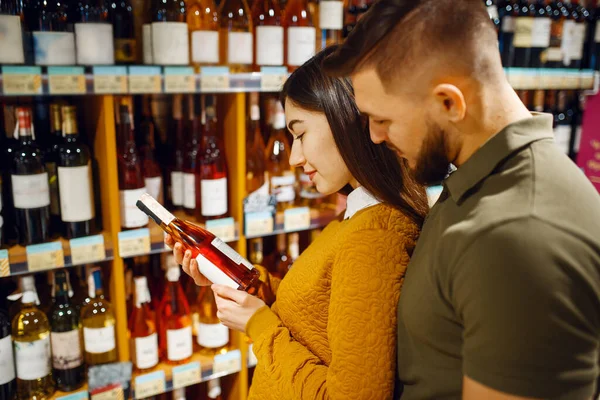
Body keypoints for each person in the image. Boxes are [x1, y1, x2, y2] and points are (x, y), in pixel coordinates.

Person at [322, 0, 600, 399]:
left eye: (382, 119)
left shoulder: (517, 233)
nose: (374, 137)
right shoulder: (480, 182)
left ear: (449, 103)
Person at [166, 46, 429, 399]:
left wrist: (259, 325)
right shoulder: (357, 214)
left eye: (301, 134)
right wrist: (244, 279)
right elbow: (317, 314)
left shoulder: (374, 237)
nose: (293, 157)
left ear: (347, 120)